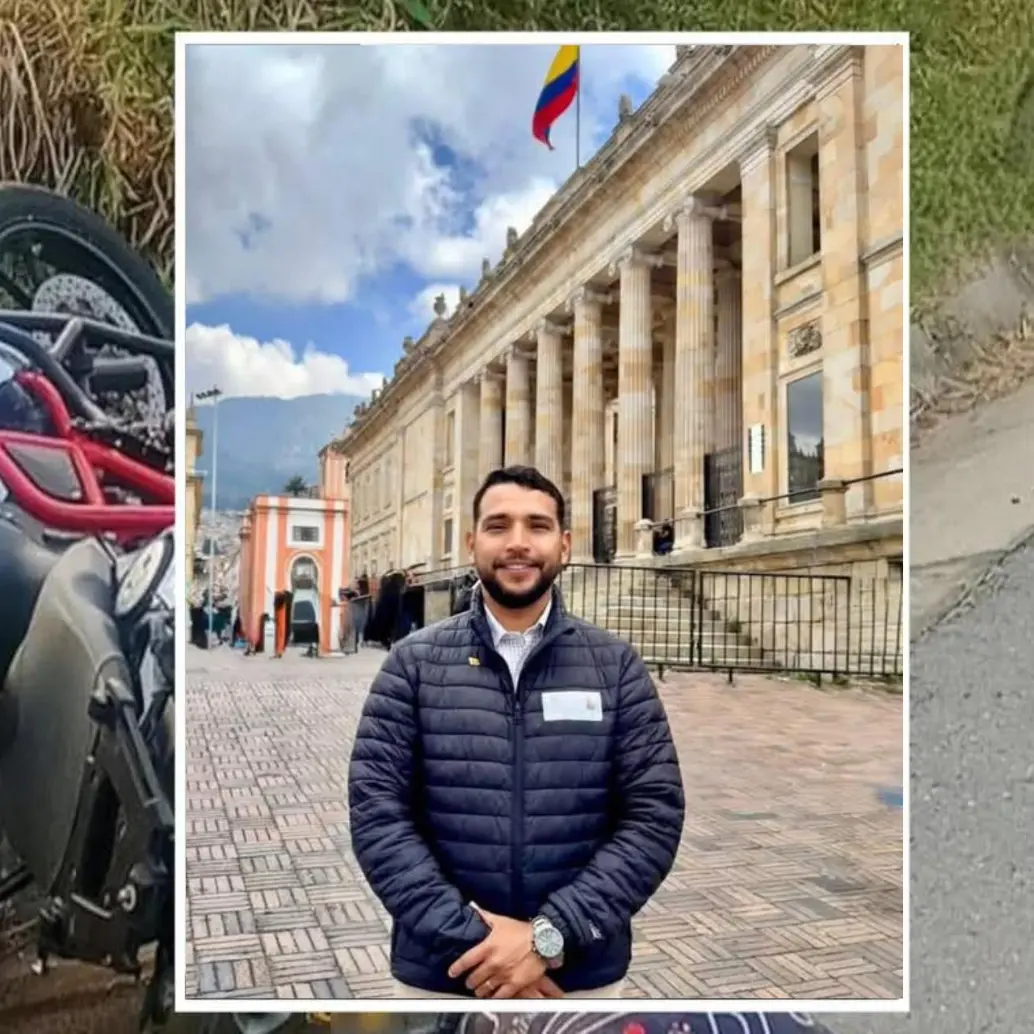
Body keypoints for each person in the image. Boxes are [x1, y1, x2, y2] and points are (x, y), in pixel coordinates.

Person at [349, 465, 685, 999]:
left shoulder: (615, 667)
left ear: (565, 544)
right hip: (446, 973)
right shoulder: (411, 665)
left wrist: (549, 939)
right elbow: (378, 816)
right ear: (472, 542)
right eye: (499, 526)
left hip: (576, 976)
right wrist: (484, 948)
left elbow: (653, 817)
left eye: (538, 526)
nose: (519, 544)